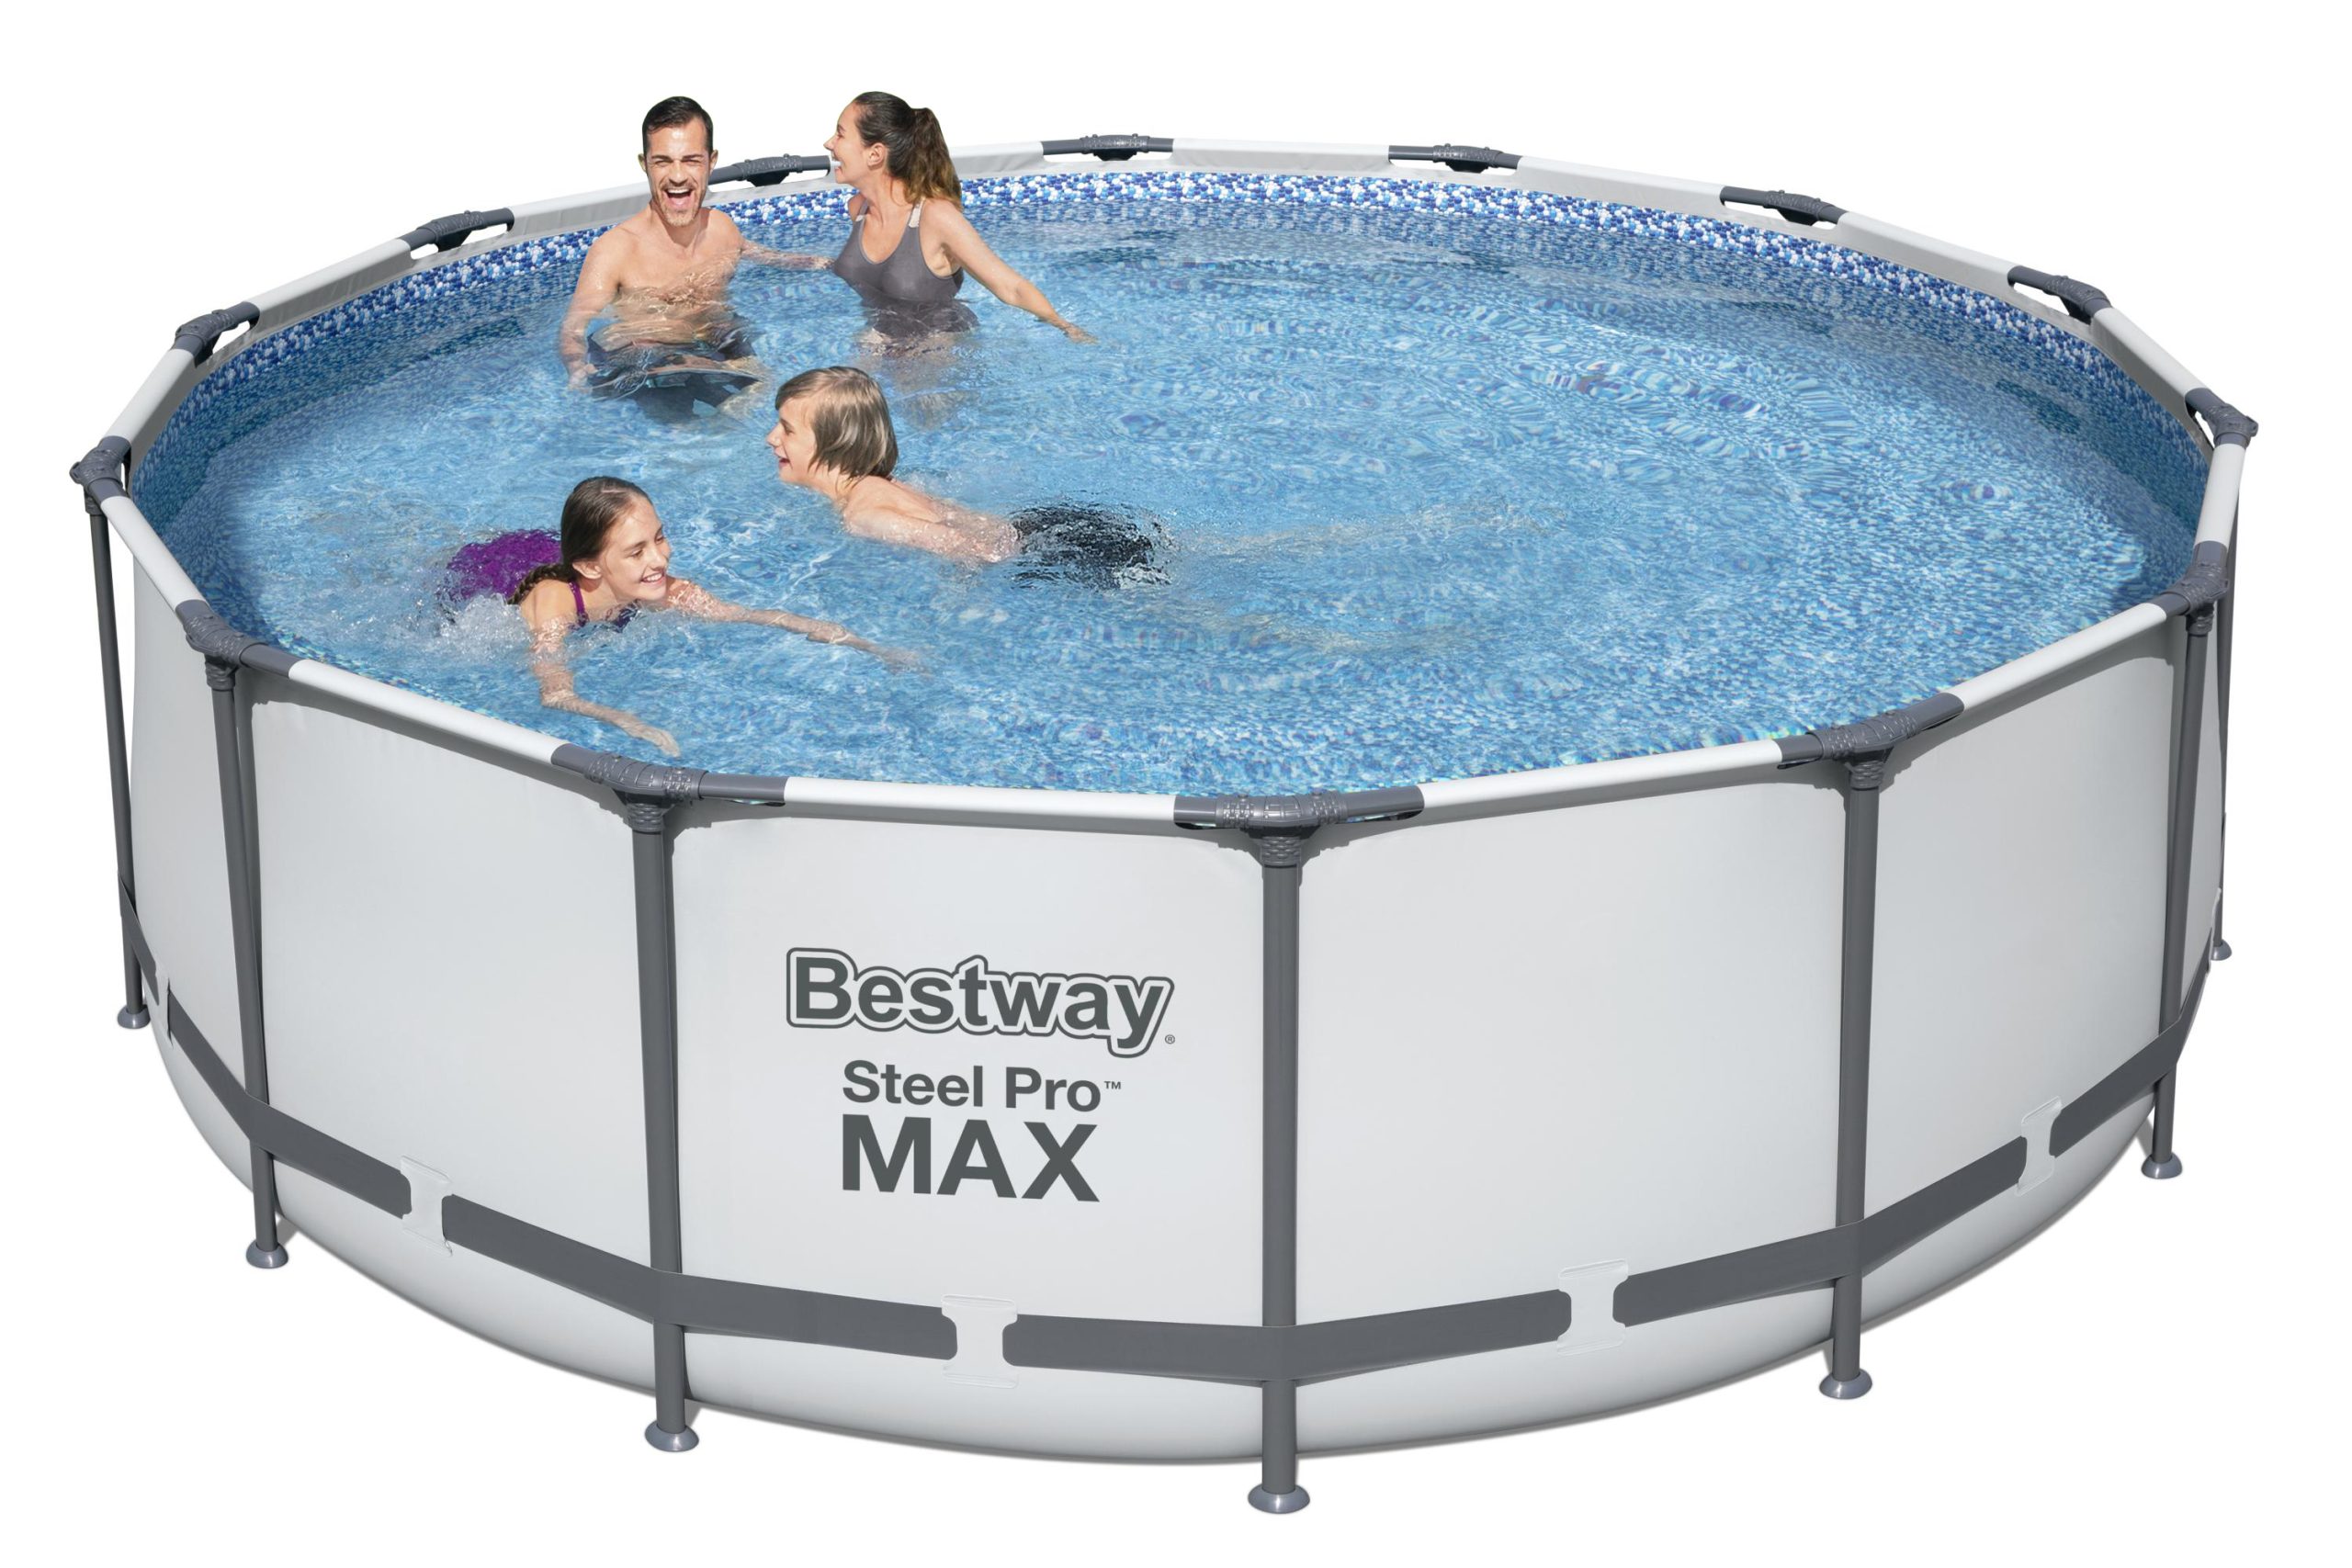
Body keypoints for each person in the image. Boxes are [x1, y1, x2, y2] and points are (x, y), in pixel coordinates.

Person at [443, 476, 909, 755]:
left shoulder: (659, 588)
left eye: (660, 538)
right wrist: (627, 720)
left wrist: (861, 643)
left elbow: (748, 615)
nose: (659, 559)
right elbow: (555, 693)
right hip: (492, 571)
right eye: (637, 551)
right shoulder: (555, 604)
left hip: (569, 553)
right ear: (591, 566)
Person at [767, 367, 1164, 586]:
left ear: (833, 443)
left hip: (1051, 554)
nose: (772, 438)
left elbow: (983, 551)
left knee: (1176, 609)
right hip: (1040, 525)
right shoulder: (879, 484)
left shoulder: (863, 515)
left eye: (787, 430)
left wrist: (957, 596)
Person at [557, 96, 826, 410]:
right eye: (663, 161)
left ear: (711, 161)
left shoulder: (722, 229)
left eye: (691, 160)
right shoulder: (615, 251)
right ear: (645, 164)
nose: (678, 176)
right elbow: (574, 326)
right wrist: (576, 368)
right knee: (688, 426)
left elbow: (768, 257)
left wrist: (827, 264)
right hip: (650, 360)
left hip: (718, 340)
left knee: (777, 395)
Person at [823, 93, 1089, 343]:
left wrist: (1064, 326)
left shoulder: (936, 217)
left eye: (840, 134)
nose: (829, 143)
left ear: (875, 154)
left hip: (936, 347)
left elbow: (1011, 287)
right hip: (880, 339)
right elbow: (876, 272)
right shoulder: (858, 209)